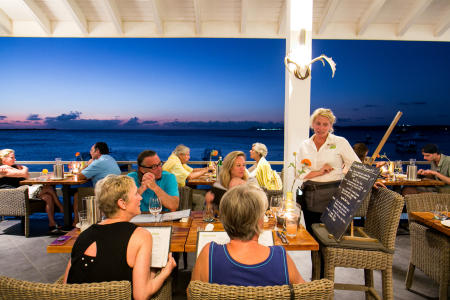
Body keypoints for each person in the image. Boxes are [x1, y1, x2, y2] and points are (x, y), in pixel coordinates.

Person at [63, 175, 176, 299]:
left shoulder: (82, 235)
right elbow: (141, 296)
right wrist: (166, 271)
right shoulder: (141, 236)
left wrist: (151, 272)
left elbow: (66, 286)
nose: (140, 197)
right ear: (122, 203)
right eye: (135, 194)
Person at [192, 184, 304, 285]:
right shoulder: (280, 258)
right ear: (259, 222)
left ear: (224, 220)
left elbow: (192, 293)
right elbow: (303, 293)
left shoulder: (209, 254)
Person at [297, 108, 361, 234]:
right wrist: (320, 172)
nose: (320, 127)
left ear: (330, 125)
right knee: (313, 235)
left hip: (332, 197)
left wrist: (370, 182)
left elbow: (356, 166)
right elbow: (299, 173)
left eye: (325, 124)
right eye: (318, 123)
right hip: (309, 197)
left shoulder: (340, 142)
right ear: (312, 124)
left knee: (329, 237)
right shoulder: (304, 145)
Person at [0, 148, 63, 234]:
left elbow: (27, 178)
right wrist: (24, 168)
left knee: (48, 197)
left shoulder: (13, 167)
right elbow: (24, 173)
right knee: (48, 188)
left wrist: (19, 170)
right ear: (3, 159)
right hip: (15, 194)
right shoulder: (2, 170)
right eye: (12, 157)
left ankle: (52, 224)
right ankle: (61, 207)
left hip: (24, 191)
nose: (15, 159)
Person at [73, 142, 121, 226]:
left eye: (91, 150)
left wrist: (88, 165)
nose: (90, 152)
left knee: (77, 195)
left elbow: (80, 176)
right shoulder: (110, 158)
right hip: (115, 190)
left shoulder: (98, 162)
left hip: (105, 192)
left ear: (97, 151)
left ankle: (76, 223)